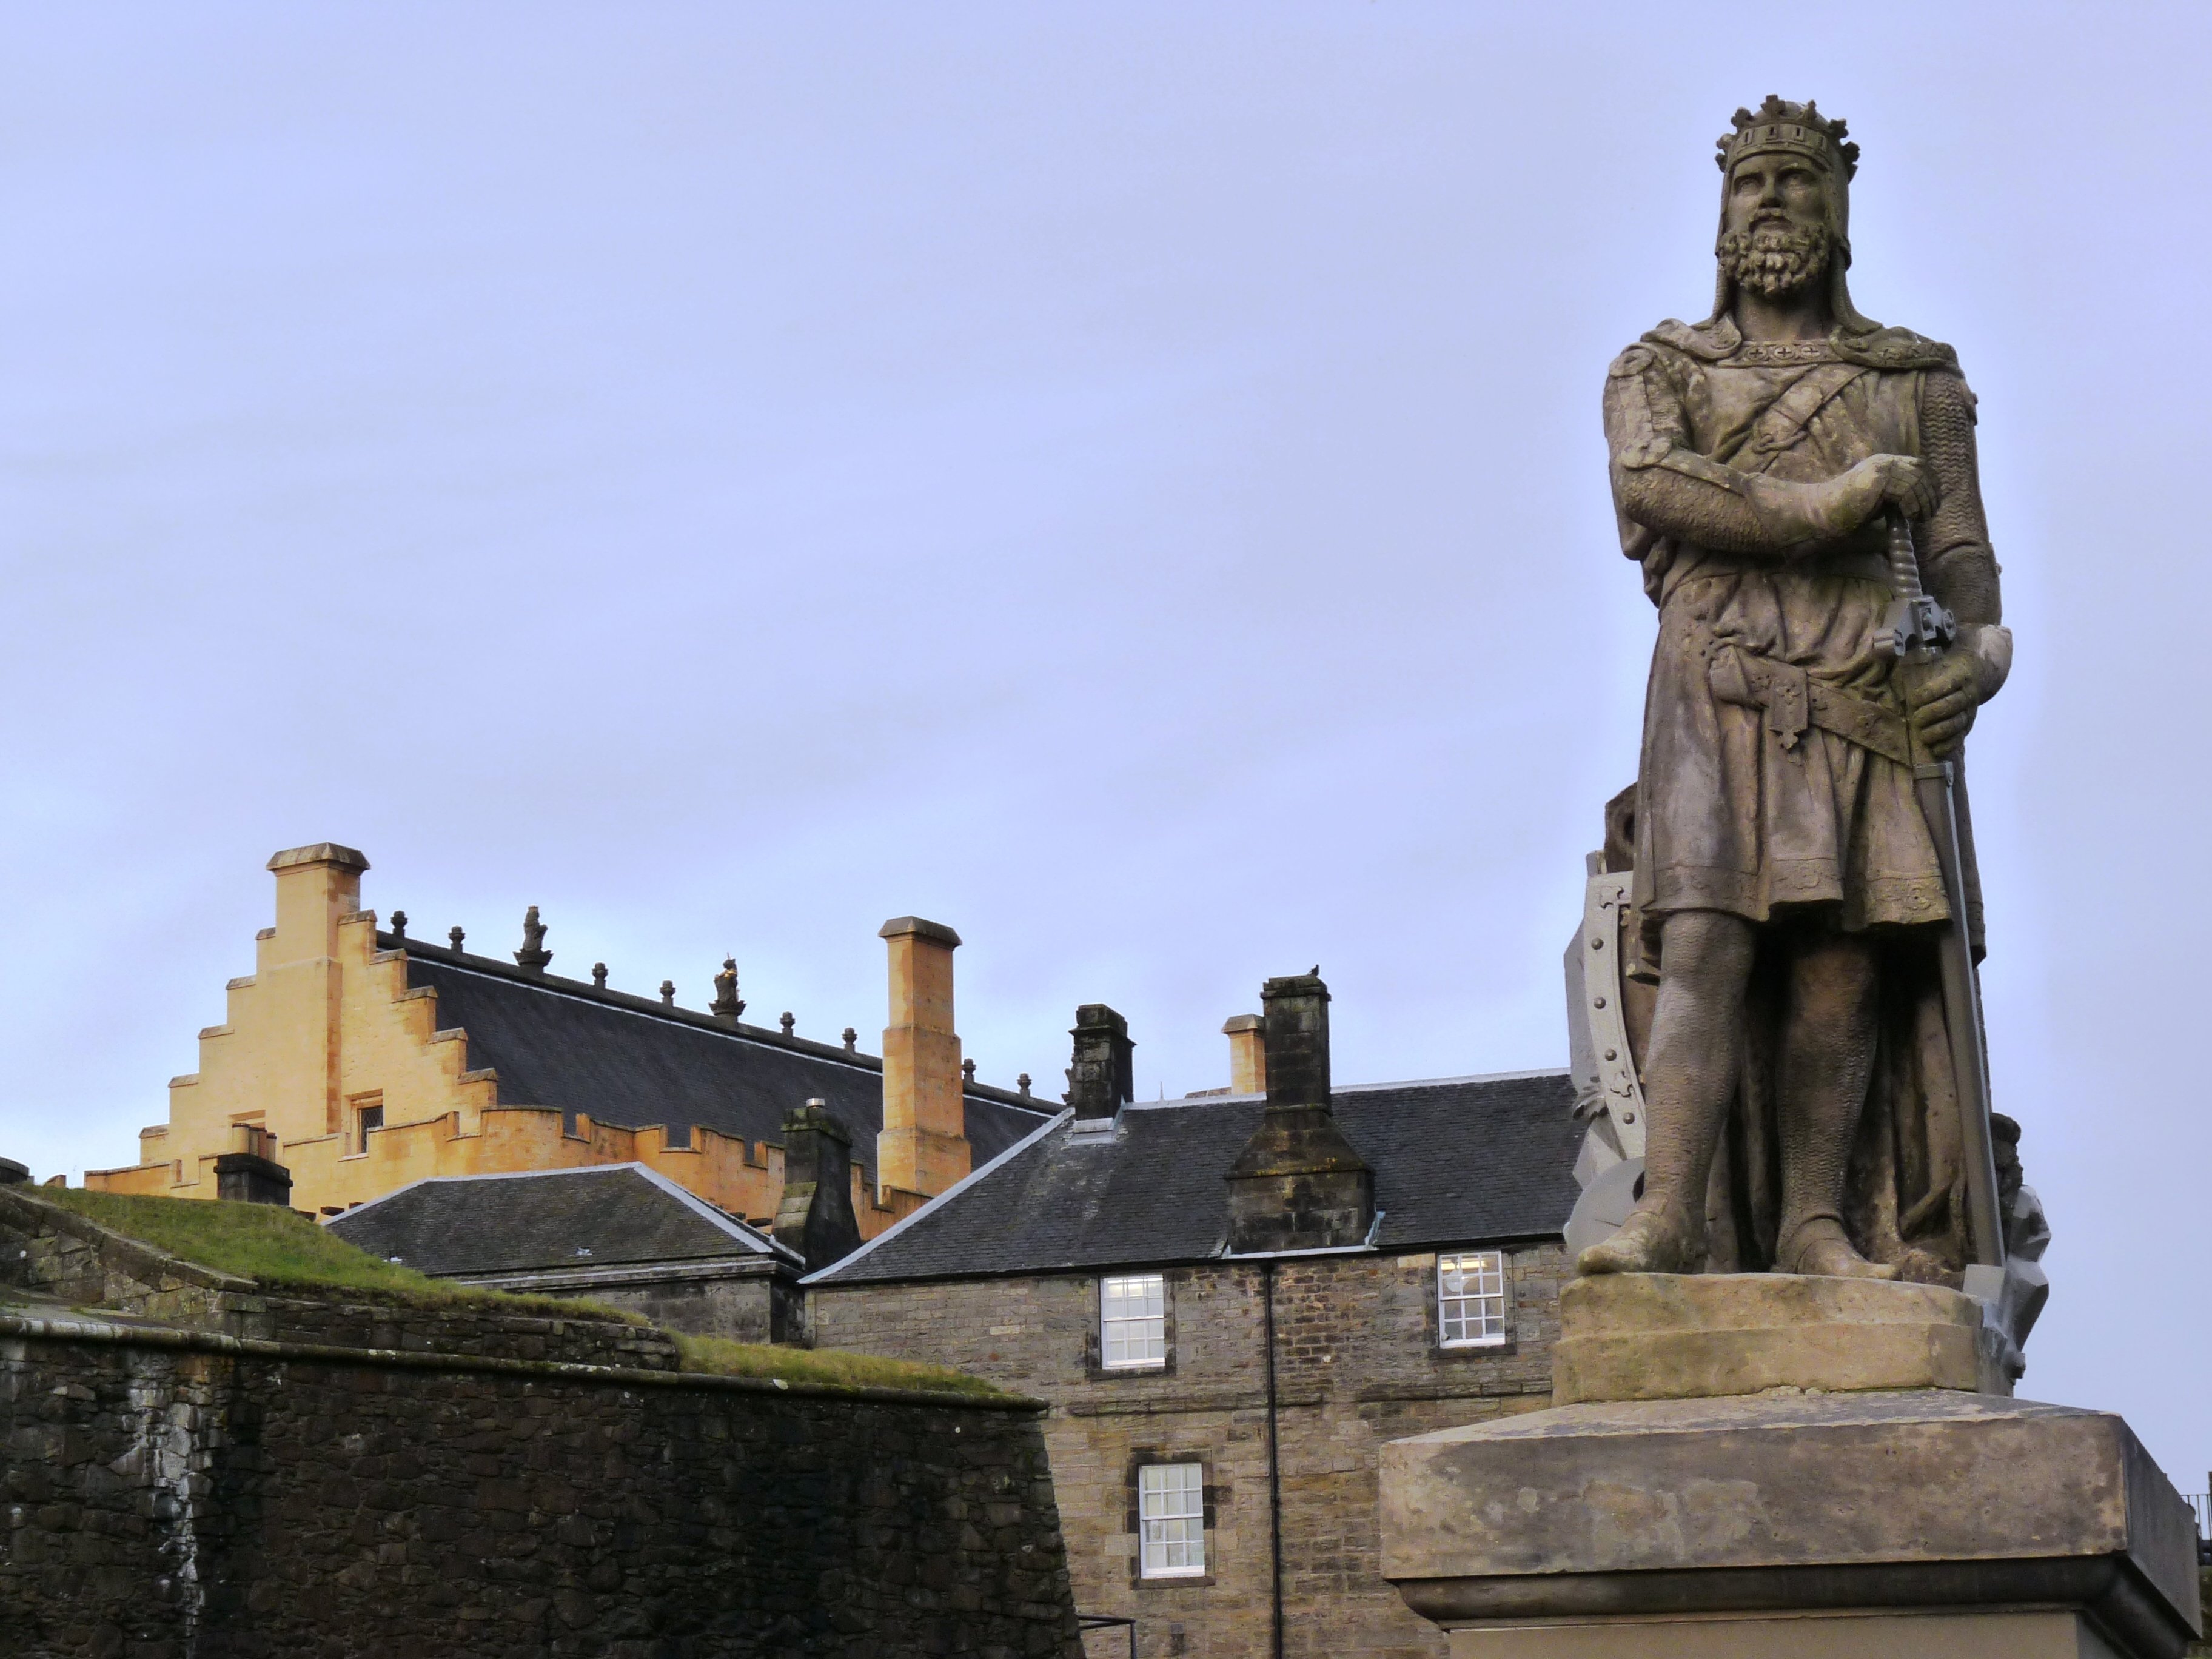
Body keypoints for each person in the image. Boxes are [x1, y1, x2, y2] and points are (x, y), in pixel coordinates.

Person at [1578, 98, 2011, 1281]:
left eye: (1800, 182)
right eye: (1751, 184)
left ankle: (1820, 1224)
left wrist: (1981, 656)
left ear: (1842, 211)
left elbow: (1963, 557)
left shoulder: (1912, 379)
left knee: (1841, 960)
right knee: (1707, 946)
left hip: (1867, 689)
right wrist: (1825, 507)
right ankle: (1674, 1217)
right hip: (1720, 680)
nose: (1773, 201)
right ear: (1722, 218)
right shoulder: (1659, 369)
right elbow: (1660, 490)